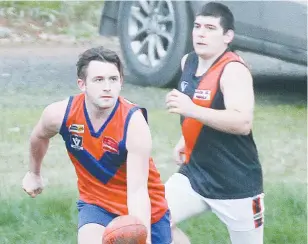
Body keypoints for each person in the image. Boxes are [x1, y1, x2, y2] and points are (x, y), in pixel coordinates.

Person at [22, 46, 173, 244]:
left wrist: (140, 236)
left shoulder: (133, 123)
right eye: (99, 80)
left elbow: (137, 191)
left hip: (146, 210)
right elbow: (38, 136)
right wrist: (34, 173)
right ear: (82, 84)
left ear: (121, 82)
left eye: (113, 79)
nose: (107, 87)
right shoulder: (59, 115)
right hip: (96, 204)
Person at [165, 2, 264, 244]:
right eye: (197, 26)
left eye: (210, 28)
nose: (200, 33)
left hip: (236, 184)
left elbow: (242, 122)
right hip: (195, 175)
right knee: (148, 219)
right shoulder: (187, 62)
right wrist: (185, 136)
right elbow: (204, 106)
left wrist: (192, 110)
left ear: (227, 36)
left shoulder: (233, 71)